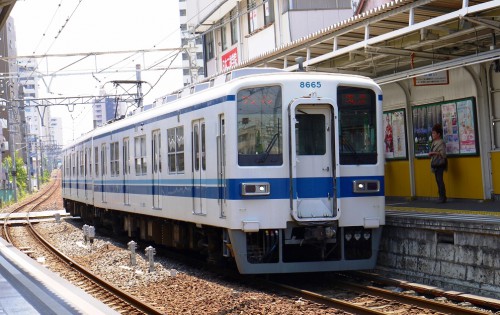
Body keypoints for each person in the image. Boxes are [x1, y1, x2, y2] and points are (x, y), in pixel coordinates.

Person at [429, 123, 447, 203]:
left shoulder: (441, 142)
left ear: (438, 134)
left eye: (434, 133)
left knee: (440, 180)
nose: (432, 135)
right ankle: (441, 196)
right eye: (432, 133)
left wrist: (433, 153)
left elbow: (443, 154)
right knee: (437, 180)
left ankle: (442, 197)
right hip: (435, 163)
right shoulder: (433, 142)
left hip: (440, 163)